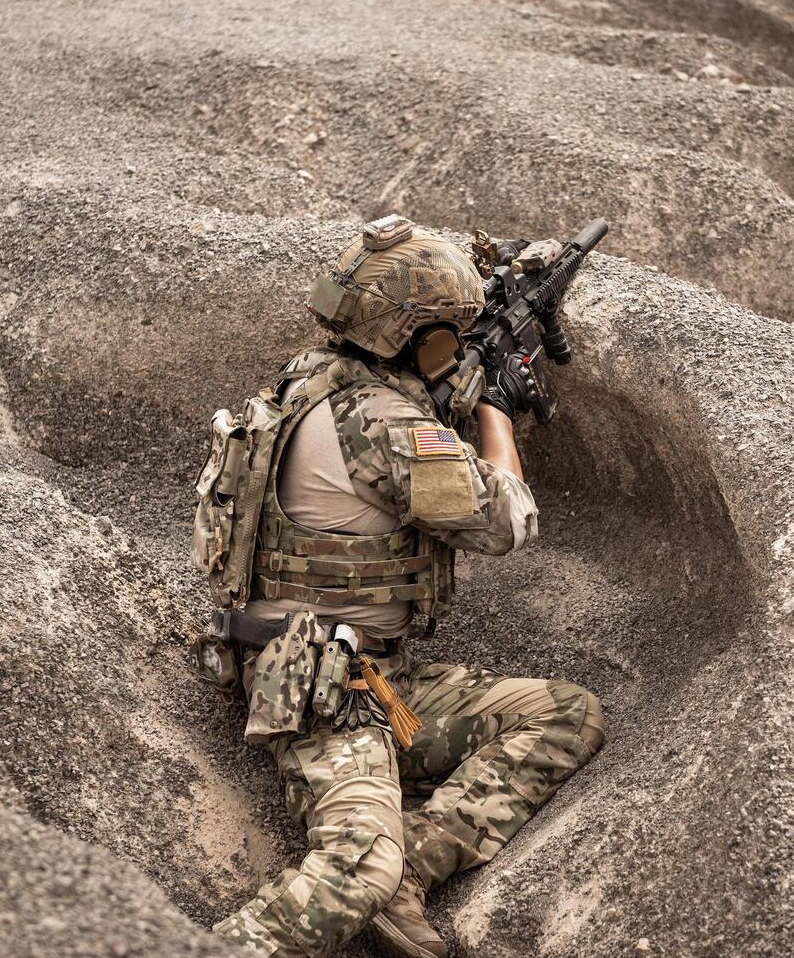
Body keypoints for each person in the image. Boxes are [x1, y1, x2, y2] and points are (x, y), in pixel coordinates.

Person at [205, 216, 606, 958]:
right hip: (322, 687)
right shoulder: (385, 423)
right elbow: (502, 526)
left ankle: (410, 876)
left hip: (370, 672)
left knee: (563, 715)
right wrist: (495, 416)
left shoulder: (315, 377)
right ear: (422, 339)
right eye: (448, 333)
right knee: (353, 873)